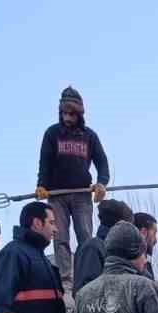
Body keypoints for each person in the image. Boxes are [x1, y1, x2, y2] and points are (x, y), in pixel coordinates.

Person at [36, 85, 109, 286]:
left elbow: (103, 163)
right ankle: (65, 277)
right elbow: (44, 162)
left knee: (85, 237)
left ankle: (89, 276)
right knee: (59, 237)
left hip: (82, 194)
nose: (67, 118)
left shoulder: (89, 136)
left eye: (71, 114)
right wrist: (41, 185)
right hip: (57, 195)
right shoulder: (52, 134)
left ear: (79, 114)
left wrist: (101, 183)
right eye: (64, 113)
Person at [72, 198, 134, 291]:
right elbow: (88, 291)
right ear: (120, 224)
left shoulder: (116, 251)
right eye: (129, 226)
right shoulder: (93, 247)